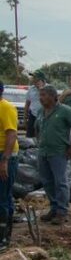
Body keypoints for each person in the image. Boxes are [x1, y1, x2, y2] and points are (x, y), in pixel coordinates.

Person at [36, 86, 71, 225]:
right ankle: (54, 208)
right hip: (43, 151)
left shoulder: (65, 110)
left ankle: (63, 212)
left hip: (58, 152)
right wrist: (39, 141)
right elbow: (37, 128)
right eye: (40, 95)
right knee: (47, 181)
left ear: (52, 96)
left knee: (60, 182)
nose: (41, 98)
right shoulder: (41, 111)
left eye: (43, 95)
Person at [0, 82, 18, 247]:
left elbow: (11, 134)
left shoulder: (6, 108)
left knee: (3, 197)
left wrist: (4, 161)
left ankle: (4, 237)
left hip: (5, 156)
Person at [25, 70, 46, 139]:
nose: (33, 79)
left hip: (45, 116)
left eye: (35, 77)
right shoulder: (31, 89)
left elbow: (51, 101)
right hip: (33, 115)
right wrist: (25, 117)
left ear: (41, 79)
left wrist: (40, 89)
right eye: (33, 77)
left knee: (42, 136)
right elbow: (28, 102)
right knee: (29, 136)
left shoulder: (49, 88)